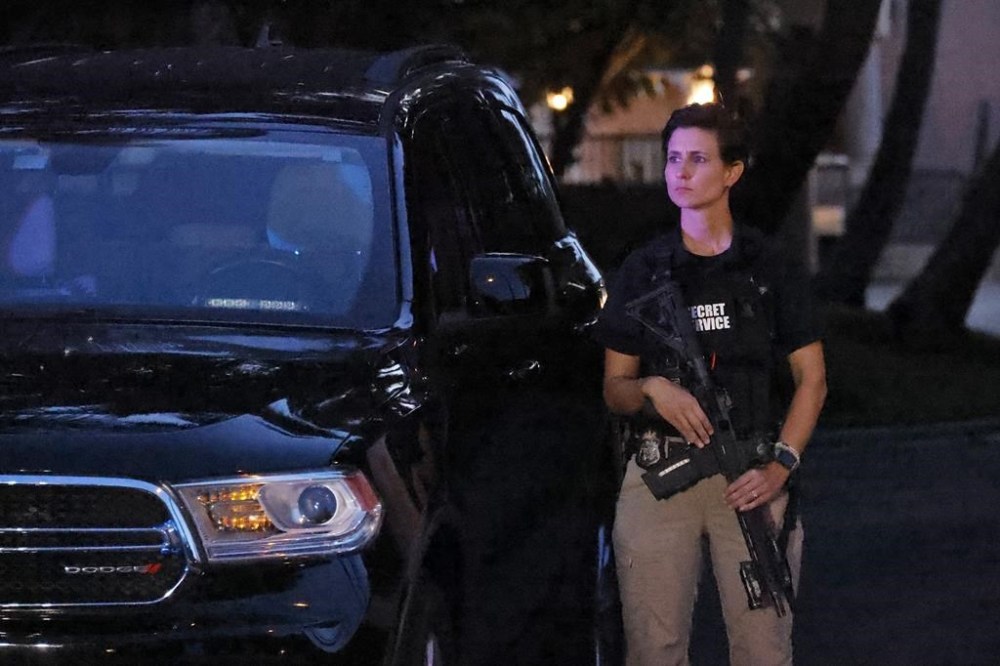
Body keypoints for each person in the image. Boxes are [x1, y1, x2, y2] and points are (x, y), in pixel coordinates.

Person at [593, 102, 827, 665]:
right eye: (673, 158)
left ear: (732, 172)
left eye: (698, 159)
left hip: (751, 474)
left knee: (763, 650)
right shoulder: (644, 269)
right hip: (660, 473)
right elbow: (614, 388)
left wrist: (781, 465)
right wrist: (653, 389)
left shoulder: (768, 266)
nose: (681, 171)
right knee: (654, 649)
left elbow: (812, 380)